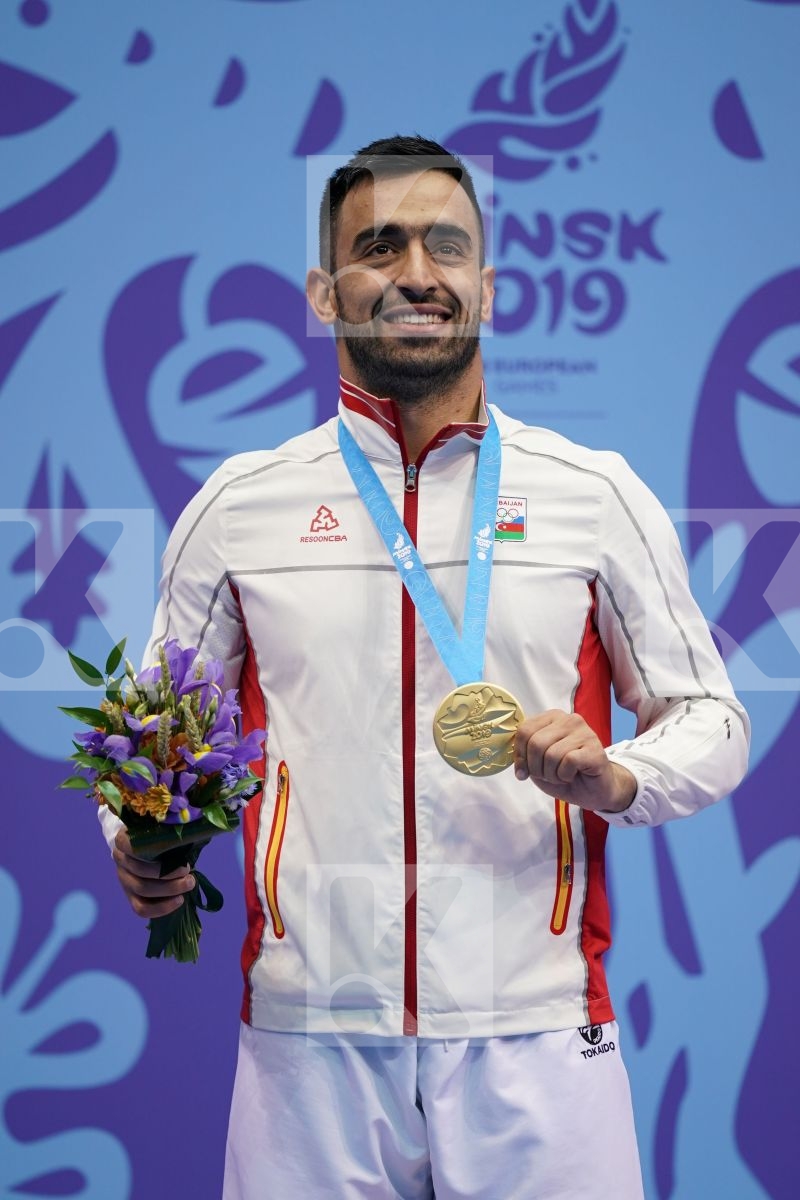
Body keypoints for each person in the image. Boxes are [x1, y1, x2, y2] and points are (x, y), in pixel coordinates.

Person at [104, 135, 749, 1199]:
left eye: (445, 247)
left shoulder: (593, 494)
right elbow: (153, 741)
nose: (416, 273)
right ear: (324, 293)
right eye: (379, 247)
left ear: (485, 285)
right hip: (308, 1047)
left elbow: (712, 719)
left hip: (537, 1034)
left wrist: (617, 776)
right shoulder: (240, 506)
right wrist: (137, 835)